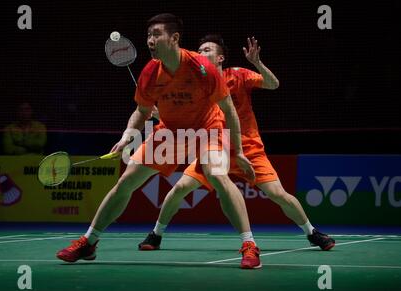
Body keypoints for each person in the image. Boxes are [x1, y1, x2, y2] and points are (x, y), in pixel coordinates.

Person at [57, 14, 262, 269]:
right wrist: (127, 135)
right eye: (148, 36)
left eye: (156, 35)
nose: (150, 41)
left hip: (207, 129)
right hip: (170, 133)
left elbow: (229, 109)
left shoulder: (201, 67)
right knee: (126, 181)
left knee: (218, 175)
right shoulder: (150, 72)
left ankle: (249, 244)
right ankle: (89, 242)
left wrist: (239, 152)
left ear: (174, 38)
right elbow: (142, 111)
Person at [138, 34, 335, 252]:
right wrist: (160, 114)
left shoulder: (238, 75)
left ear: (220, 57)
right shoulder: (194, 81)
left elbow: (273, 84)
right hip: (213, 147)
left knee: (278, 194)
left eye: (206, 50)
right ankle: (156, 234)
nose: (200, 53)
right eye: (199, 50)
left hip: (248, 148)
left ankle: (312, 232)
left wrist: (257, 63)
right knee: (181, 188)